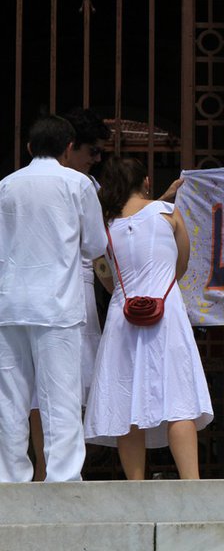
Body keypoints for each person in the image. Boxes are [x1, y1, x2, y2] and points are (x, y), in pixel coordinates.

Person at [84, 156, 212, 479]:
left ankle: (136, 486)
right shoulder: (167, 213)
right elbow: (181, 264)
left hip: (123, 315)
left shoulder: (107, 227)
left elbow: (107, 276)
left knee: (127, 401)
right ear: (146, 181)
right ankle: (192, 483)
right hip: (165, 311)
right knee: (178, 397)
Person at [0, 115, 107, 482]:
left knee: (10, 398)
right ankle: (62, 478)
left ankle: (9, 478)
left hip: (10, 303)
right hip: (58, 303)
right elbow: (95, 244)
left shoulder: (7, 185)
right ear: (67, 149)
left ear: (29, 148)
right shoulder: (78, 184)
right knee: (60, 396)